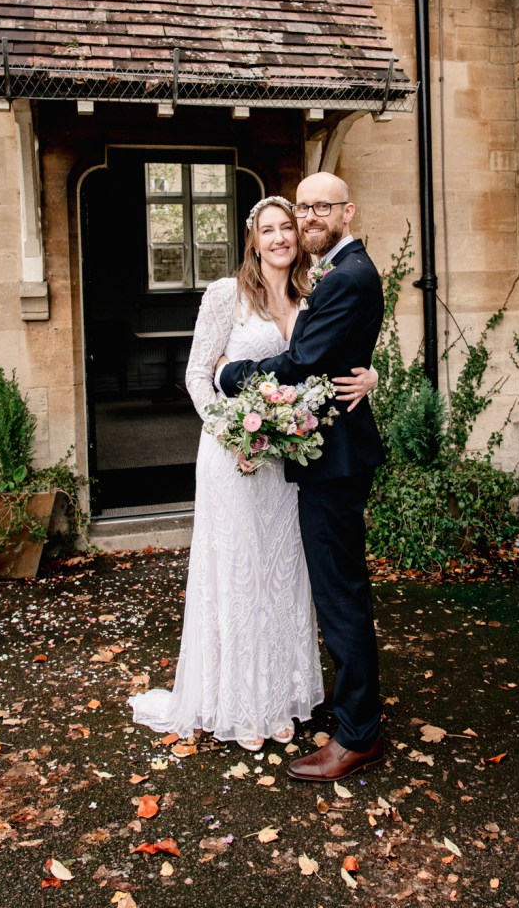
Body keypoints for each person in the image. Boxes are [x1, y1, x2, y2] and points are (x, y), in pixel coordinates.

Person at [129, 195, 377, 752]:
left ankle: (281, 695)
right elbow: (199, 374)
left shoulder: (313, 294)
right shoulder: (227, 295)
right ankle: (237, 701)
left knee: (284, 574)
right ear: (253, 240)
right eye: (268, 230)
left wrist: (372, 374)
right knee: (239, 575)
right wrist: (232, 434)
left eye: (287, 226)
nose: (280, 237)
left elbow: (332, 354)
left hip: (290, 463)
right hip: (235, 458)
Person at [217, 172, 386, 781]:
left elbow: (304, 362)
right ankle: (353, 707)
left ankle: (358, 736)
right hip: (327, 455)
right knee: (337, 589)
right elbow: (339, 354)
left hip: (334, 461)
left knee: (340, 595)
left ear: (348, 210)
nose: (310, 218)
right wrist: (370, 371)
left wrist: (231, 375)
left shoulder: (347, 277)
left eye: (321, 208)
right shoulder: (334, 274)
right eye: (303, 207)